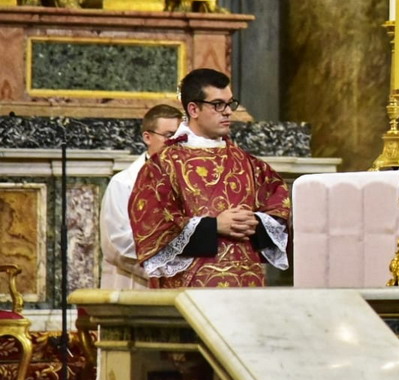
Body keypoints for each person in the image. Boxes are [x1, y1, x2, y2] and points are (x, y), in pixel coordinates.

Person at [129, 68, 291, 288]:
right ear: (193, 109)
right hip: (190, 290)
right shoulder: (163, 165)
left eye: (229, 103)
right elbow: (153, 228)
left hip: (247, 285)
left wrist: (256, 222)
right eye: (218, 105)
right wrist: (213, 226)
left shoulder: (249, 163)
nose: (228, 112)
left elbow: (279, 204)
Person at [99, 105, 183, 289]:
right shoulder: (123, 183)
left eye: (180, 136)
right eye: (169, 135)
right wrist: (169, 269)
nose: (175, 143)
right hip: (136, 284)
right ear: (147, 137)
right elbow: (117, 244)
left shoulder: (189, 183)